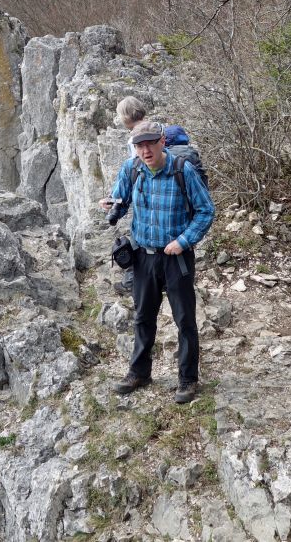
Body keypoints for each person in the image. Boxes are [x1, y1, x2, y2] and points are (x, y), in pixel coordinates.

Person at [100, 121, 215, 404]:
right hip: (143, 256)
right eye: (139, 145)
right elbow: (121, 200)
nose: (145, 150)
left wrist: (184, 241)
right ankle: (139, 372)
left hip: (177, 257)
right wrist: (112, 204)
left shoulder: (182, 170)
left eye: (150, 143)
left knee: (185, 319)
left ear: (162, 142)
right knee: (142, 317)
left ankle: (187, 380)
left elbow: (205, 211)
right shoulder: (132, 169)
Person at [113, 96, 149, 293]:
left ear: (125, 117)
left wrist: (117, 200)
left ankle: (131, 283)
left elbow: (134, 169)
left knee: (137, 238)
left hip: (146, 193)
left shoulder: (134, 137)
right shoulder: (158, 128)